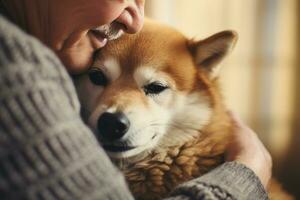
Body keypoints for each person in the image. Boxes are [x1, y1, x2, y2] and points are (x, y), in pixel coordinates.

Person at [0, 0, 271, 199]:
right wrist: (249, 173)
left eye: (155, 87)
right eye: (97, 78)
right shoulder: (16, 70)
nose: (134, 21)